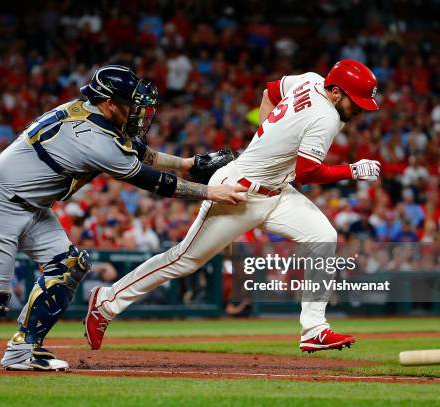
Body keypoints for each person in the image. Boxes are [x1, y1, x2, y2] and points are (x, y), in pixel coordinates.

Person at [0, 65, 246, 371]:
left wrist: (187, 164)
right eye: (130, 104)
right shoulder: (92, 138)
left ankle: (23, 350)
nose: (137, 111)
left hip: (28, 205)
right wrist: (210, 190)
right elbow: (150, 179)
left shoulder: (90, 116)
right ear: (109, 103)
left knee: (69, 263)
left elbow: (135, 151)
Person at [85, 60, 382, 353]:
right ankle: (106, 302)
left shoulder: (309, 79)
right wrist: (353, 171)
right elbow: (307, 173)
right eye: (355, 102)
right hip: (238, 191)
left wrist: (267, 136)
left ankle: (314, 330)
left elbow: (270, 92)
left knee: (323, 237)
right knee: (184, 260)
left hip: (277, 192)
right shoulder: (326, 117)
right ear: (335, 92)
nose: (358, 109)